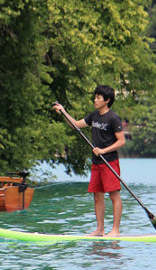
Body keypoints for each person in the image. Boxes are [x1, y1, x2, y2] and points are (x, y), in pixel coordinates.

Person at [53, 85, 126, 237]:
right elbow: (76, 125)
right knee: (97, 196)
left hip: (109, 162)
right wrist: (63, 112)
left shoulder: (113, 118)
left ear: (107, 100)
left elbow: (121, 141)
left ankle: (115, 230)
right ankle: (100, 230)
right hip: (96, 163)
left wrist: (103, 151)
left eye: (99, 97)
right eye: (95, 96)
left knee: (114, 195)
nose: (95, 99)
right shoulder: (94, 116)